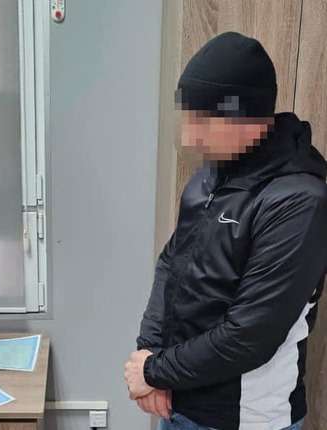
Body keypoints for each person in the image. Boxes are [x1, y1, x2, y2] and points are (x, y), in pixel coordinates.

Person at [124, 32, 327, 430]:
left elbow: (249, 335)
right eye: (188, 117)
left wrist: (152, 371)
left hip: (244, 420)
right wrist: (149, 353)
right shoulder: (209, 177)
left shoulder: (300, 201)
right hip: (177, 402)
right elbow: (170, 266)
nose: (189, 136)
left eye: (203, 121)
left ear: (250, 117)